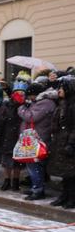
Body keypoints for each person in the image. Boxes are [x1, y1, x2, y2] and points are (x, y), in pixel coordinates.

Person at [17, 82, 57, 200]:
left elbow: (31, 117)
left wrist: (22, 108)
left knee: (34, 165)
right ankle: (36, 187)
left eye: (30, 96)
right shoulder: (40, 102)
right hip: (34, 138)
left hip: (39, 138)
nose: (29, 98)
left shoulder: (46, 103)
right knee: (34, 165)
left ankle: (38, 190)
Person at [47, 77, 75, 209]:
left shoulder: (72, 105)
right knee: (65, 172)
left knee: (71, 173)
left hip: (69, 142)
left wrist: (71, 143)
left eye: (62, 88)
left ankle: (71, 198)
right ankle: (64, 195)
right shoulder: (63, 103)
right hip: (60, 140)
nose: (59, 90)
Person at [0, 81, 26, 192]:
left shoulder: (25, 105)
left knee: (18, 161)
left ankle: (16, 181)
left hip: (20, 136)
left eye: (22, 93)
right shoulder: (6, 105)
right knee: (7, 160)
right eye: (18, 93)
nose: (20, 95)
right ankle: (7, 180)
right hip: (7, 135)